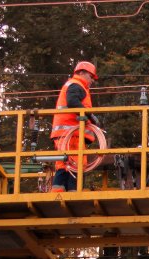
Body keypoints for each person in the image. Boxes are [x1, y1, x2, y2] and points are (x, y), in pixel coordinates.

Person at [50, 60, 98, 191]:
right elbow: (72, 102)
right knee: (76, 163)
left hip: (66, 134)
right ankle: (73, 193)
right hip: (71, 134)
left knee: (64, 162)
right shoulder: (77, 85)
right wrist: (90, 116)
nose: (92, 80)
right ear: (81, 73)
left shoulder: (73, 85)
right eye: (91, 76)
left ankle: (59, 191)